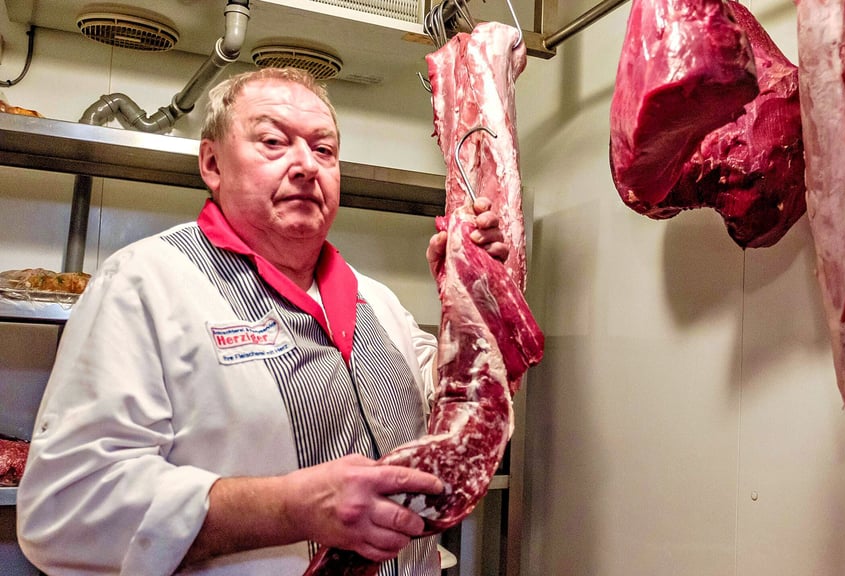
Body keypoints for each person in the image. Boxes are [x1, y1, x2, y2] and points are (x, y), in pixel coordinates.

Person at [16, 66, 509, 575]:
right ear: (212, 163)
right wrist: (294, 508)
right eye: (273, 142)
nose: (305, 166)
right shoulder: (144, 284)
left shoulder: (376, 301)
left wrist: (468, 301)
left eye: (324, 151)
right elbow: (65, 508)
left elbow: (452, 412)